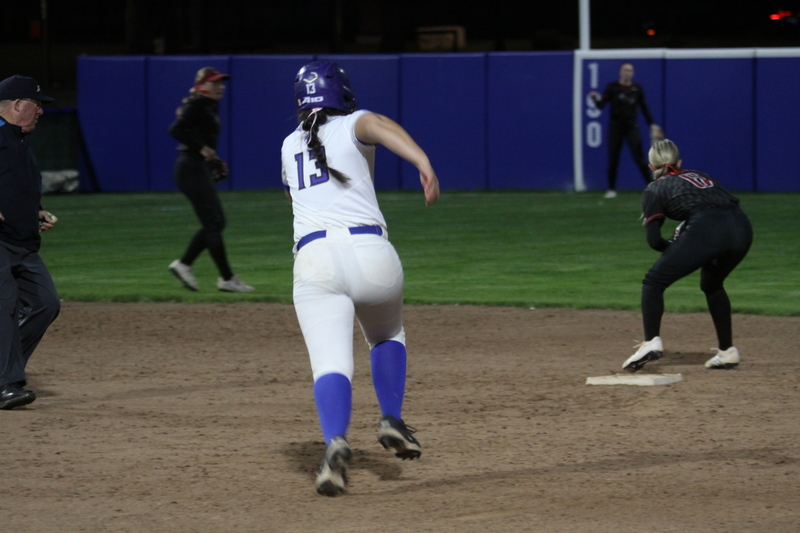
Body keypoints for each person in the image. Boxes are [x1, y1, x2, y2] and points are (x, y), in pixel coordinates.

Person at [280, 61, 439, 496]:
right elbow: (382, 126)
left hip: (314, 261)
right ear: (341, 93)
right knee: (387, 335)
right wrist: (422, 162)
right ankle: (391, 417)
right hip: (372, 255)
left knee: (331, 364)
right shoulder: (354, 121)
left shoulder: (288, 145)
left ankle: (335, 440)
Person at [622, 139, 753, 373]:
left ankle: (651, 342)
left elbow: (654, 241)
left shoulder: (654, 189)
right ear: (679, 162)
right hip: (742, 227)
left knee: (654, 282)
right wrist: (688, 249)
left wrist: (680, 250)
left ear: (651, 168)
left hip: (708, 228)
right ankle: (727, 352)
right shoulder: (701, 175)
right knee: (712, 283)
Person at [0, 75, 61, 410]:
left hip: (22, 243)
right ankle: (5, 382)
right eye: (37, 104)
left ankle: (5, 370)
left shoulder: (19, 142)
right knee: (5, 304)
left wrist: (35, 212)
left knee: (46, 303)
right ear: (17, 104)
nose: (41, 111)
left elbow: (15, 189)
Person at [167, 67, 254, 293]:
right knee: (214, 223)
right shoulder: (196, 105)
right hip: (189, 167)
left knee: (214, 223)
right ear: (201, 85)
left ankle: (186, 265)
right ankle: (224, 278)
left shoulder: (207, 105)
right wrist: (201, 148)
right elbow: (175, 129)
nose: (219, 86)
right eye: (214, 83)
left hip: (196, 167)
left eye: (221, 83)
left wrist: (209, 156)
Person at [589, 62, 663, 198]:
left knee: (639, 158)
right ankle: (611, 189)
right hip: (615, 126)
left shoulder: (637, 89)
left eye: (629, 70)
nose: (627, 72)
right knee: (613, 159)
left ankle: (652, 187)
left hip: (631, 126)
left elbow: (644, 109)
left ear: (632, 73)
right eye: (625, 70)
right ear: (620, 72)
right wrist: (594, 98)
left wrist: (652, 124)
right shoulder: (612, 87)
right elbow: (600, 106)